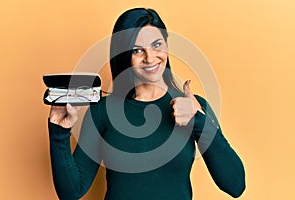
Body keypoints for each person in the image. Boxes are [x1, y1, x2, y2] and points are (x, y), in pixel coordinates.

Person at [48, 8, 245, 200]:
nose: (150, 57)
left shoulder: (193, 106)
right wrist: (59, 132)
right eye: (137, 50)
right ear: (124, 56)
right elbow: (71, 193)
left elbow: (235, 185)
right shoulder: (102, 112)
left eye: (157, 45)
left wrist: (198, 120)